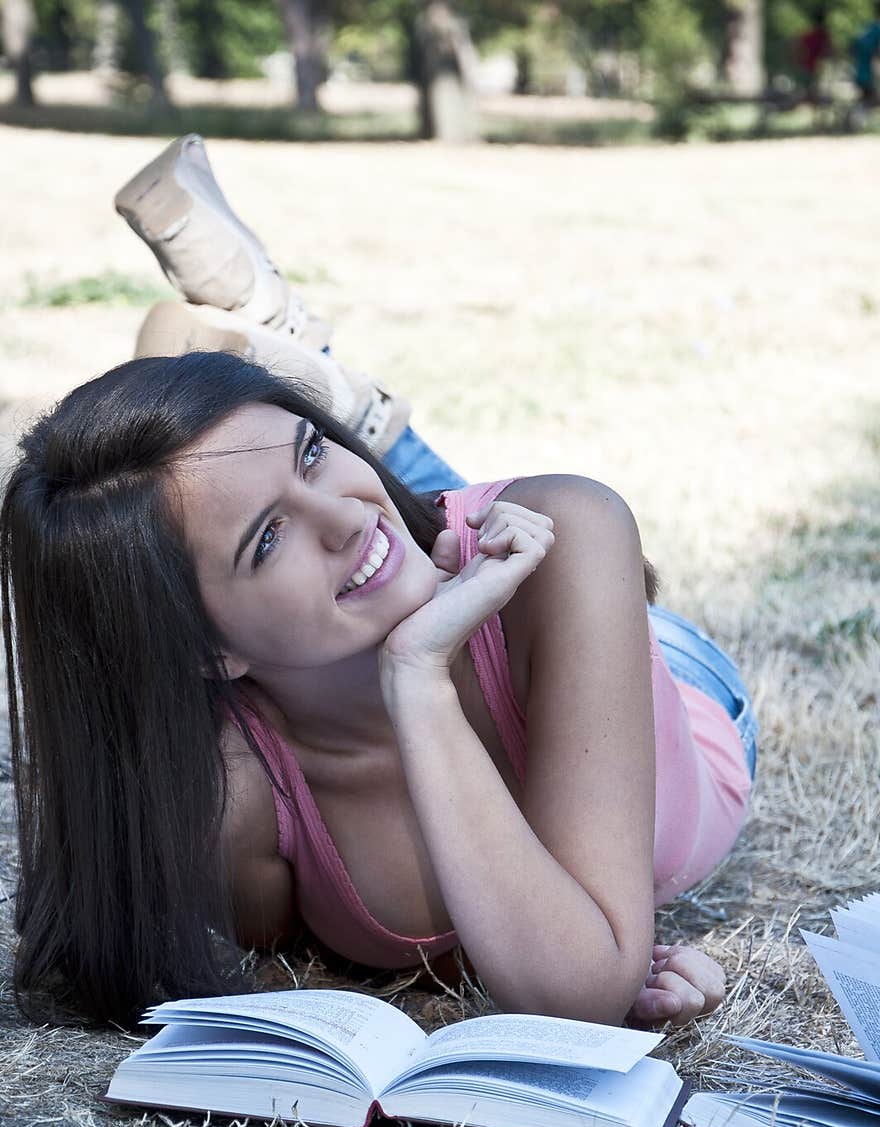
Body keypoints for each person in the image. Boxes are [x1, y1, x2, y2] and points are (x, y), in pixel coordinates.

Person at [0, 138, 757, 1035]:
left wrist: (588, 945)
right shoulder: (237, 794)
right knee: (403, 539)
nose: (343, 516)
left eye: (312, 449)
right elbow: (565, 972)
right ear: (210, 651)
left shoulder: (568, 537)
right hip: (448, 596)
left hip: (657, 666)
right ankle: (313, 380)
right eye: (268, 537)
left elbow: (577, 992)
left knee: (480, 532)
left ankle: (331, 394)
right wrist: (417, 671)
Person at [852, 2, 880, 105]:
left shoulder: (868, 28)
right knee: (870, 101)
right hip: (869, 74)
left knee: (866, 101)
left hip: (861, 71)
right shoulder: (877, 29)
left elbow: (855, 47)